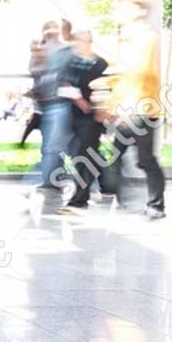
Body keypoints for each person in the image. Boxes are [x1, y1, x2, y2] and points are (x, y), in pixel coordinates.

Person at [99, 0, 166, 220]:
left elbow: (143, 75)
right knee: (116, 156)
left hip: (141, 110)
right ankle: (119, 199)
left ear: (138, 10)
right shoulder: (124, 40)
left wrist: (128, 108)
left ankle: (156, 206)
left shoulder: (147, 38)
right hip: (124, 109)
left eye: (121, 9)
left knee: (145, 160)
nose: (115, 12)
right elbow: (120, 74)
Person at [60, 29, 110, 210]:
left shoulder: (100, 64)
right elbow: (62, 83)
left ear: (89, 42)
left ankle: (79, 199)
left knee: (85, 155)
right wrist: (78, 99)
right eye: (76, 41)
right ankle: (106, 183)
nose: (78, 44)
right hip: (72, 115)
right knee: (85, 155)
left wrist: (100, 108)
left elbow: (105, 88)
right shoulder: (71, 62)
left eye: (81, 41)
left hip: (92, 117)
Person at [32, 22, 73, 190]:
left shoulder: (63, 50)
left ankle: (49, 181)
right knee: (53, 145)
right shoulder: (43, 50)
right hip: (45, 104)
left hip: (56, 102)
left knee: (53, 146)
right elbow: (35, 71)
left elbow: (51, 74)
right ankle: (54, 178)